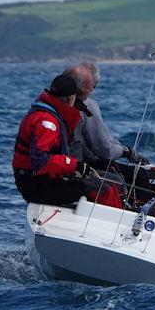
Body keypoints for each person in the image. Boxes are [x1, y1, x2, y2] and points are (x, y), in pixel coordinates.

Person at [12, 73, 122, 208]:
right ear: (71, 98)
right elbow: (41, 162)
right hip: (36, 186)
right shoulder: (47, 122)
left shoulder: (46, 113)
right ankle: (116, 225)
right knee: (102, 189)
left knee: (106, 182)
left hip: (42, 179)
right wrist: (75, 165)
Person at [64, 62, 152, 200]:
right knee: (140, 175)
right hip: (79, 168)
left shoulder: (58, 107)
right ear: (85, 86)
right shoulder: (88, 106)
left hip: (70, 166)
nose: (92, 90)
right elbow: (106, 150)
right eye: (92, 86)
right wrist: (128, 152)